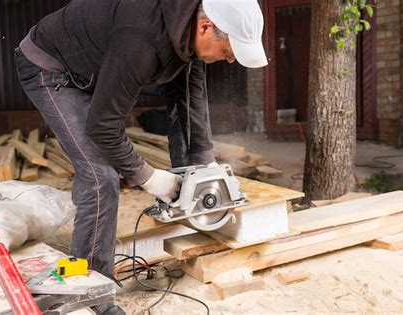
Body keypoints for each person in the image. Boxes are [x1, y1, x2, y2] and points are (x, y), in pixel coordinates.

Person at [15, 0, 267, 313]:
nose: (230, 60)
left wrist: (205, 163)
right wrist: (148, 177)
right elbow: (103, 126)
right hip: (50, 68)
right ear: (205, 27)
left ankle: (88, 258)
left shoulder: (187, 27)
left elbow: (190, 95)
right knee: (100, 174)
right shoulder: (142, 38)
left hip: (91, 65)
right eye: (229, 50)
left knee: (99, 166)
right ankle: (93, 296)